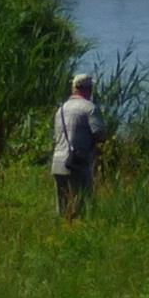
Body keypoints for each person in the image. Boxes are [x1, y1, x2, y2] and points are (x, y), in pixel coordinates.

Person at [50, 74, 101, 220]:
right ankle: (80, 228)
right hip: (77, 163)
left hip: (57, 162)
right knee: (82, 205)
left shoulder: (61, 109)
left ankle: (62, 228)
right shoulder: (89, 108)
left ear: (73, 88)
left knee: (62, 208)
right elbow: (100, 133)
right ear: (89, 89)